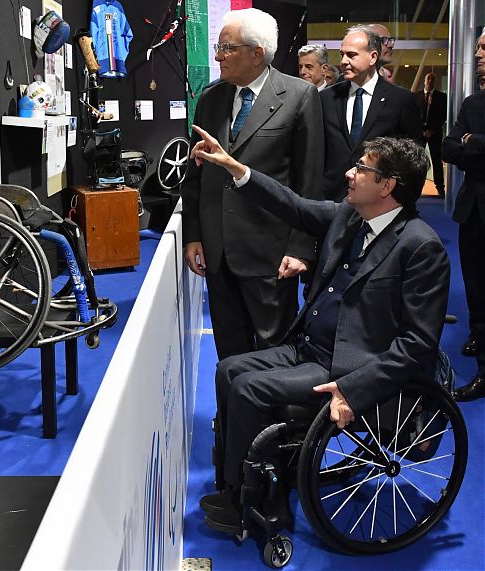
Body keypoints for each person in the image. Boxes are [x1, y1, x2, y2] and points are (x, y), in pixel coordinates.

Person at [190, 125, 450, 535]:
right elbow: (292, 205)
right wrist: (234, 167)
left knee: (248, 388)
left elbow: (418, 343)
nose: (349, 173)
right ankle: (238, 483)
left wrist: (354, 389)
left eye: (361, 169)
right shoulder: (350, 216)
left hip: (348, 366)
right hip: (309, 346)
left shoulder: (420, 246)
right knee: (228, 370)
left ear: (387, 186)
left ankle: (256, 502)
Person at [181, 8, 324, 363]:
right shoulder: (210, 98)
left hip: (271, 255)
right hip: (217, 253)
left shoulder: (300, 96)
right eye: (218, 47)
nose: (218, 56)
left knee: (275, 355)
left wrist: (301, 249)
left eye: (226, 48)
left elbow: (309, 181)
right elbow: (196, 175)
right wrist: (193, 234)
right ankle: (232, 403)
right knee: (230, 354)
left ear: (257, 53)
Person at [320, 25, 422, 201]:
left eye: (351, 55)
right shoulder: (326, 98)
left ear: (373, 57)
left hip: (380, 201)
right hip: (331, 200)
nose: (343, 61)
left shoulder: (401, 100)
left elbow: (413, 159)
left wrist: (404, 201)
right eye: (341, 54)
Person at [441, 31, 485, 401]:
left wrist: (475, 141)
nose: (478, 53)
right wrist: (468, 144)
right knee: (477, 290)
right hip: (473, 212)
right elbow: (449, 148)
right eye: (478, 46)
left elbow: (464, 146)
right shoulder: (472, 103)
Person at [416, 72, 447, 197]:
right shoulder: (416, 96)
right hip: (419, 133)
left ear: (435, 82)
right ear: (424, 81)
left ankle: (440, 187)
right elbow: (413, 114)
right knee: (417, 160)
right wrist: (420, 130)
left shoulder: (442, 97)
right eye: (428, 79)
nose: (430, 81)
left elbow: (443, 115)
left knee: (436, 161)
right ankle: (416, 187)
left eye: (432, 79)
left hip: (435, 133)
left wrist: (432, 130)